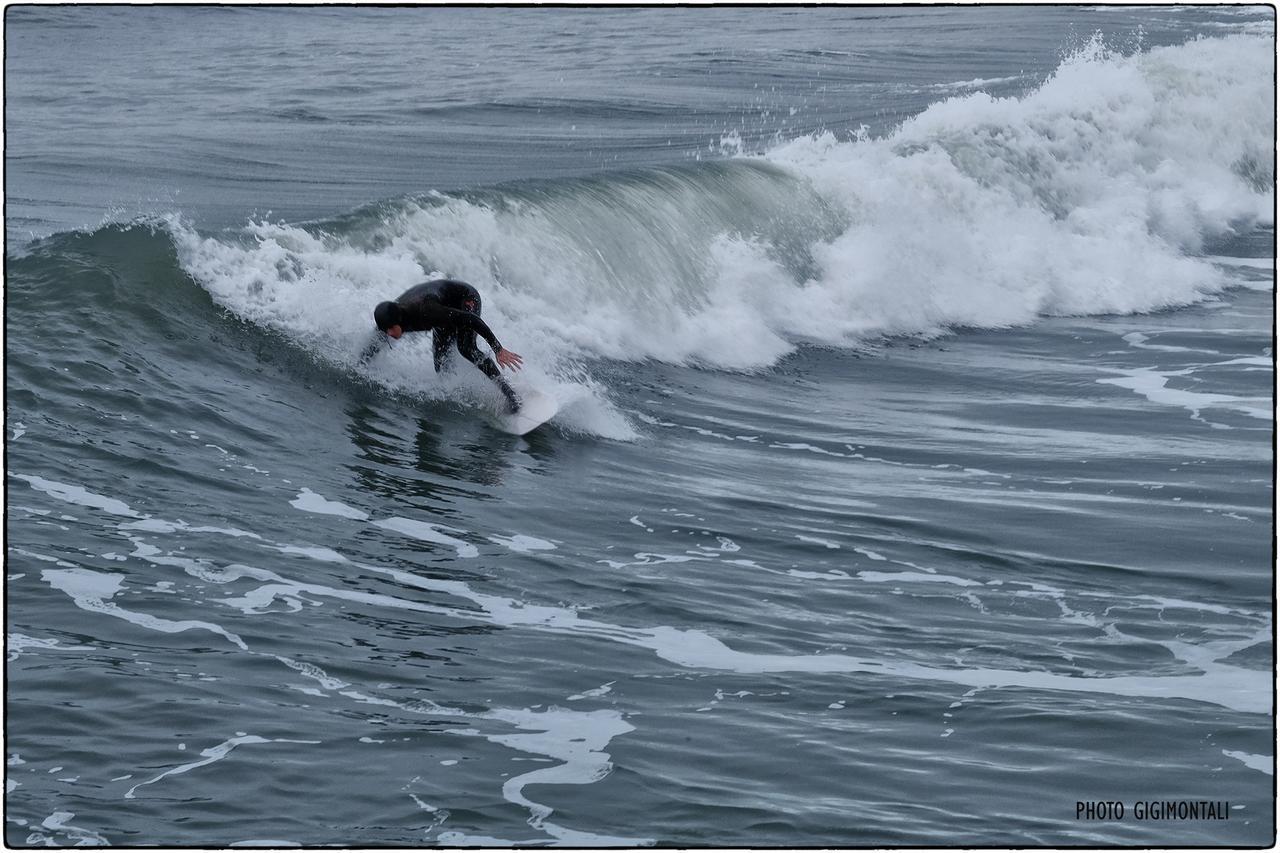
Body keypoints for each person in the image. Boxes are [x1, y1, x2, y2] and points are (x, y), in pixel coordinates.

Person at [361, 279, 524, 412]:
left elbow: (471, 320)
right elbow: (374, 345)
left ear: (399, 320)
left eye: (390, 329)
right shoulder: (389, 320)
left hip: (464, 299)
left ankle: (510, 395)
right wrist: (361, 365)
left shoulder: (426, 311)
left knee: (467, 348)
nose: (388, 334)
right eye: (385, 330)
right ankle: (457, 391)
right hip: (442, 307)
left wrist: (498, 349)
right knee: (440, 364)